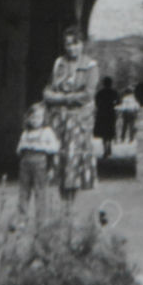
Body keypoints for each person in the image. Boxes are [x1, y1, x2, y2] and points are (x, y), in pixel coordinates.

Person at [42, 25, 98, 205]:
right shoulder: (59, 64)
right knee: (59, 160)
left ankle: (70, 206)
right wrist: (64, 98)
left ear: (82, 44)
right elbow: (47, 92)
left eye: (75, 44)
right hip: (59, 121)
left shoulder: (90, 66)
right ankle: (63, 204)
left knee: (73, 161)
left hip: (78, 121)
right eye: (68, 44)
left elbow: (88, 95)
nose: (72, 48)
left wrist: (62, 98)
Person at [16, 101, 59, 223]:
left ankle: (41, 219)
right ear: (28, 118)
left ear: (44, 118)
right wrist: (23, 147)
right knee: (24, 191)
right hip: (25, 164)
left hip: (40, 163)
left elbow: (55, 147)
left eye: (39, 117)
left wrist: (40, 147)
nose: (35, 120)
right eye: (33, 117)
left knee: (40, 191)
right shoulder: (26, 133)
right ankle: (22, 219)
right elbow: (18, 149)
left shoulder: (47, 132)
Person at [94, 76, 119, 158]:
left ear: (104, 83)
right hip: (110, 112)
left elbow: (96, 103)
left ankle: (105, 149)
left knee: (104, 131)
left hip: (102, 113)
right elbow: (118, 102)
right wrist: (113, 104)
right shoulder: (114, 92)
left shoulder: (100, 93)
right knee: (110, 129)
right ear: (111, 83)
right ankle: (109, 146)